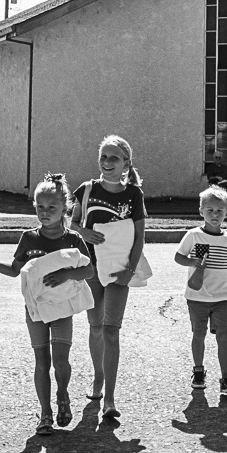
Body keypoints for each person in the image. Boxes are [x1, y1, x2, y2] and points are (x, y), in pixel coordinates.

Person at [0, 174, 95, 436]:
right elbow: (15, 270)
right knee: (41, 361)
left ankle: (63, 394)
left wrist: (67, 274)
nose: (45, 213)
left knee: (60, 360)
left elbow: (89, 271)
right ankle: (45, 413)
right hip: (34, 309)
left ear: (64, 208)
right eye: (40, 207)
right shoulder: (29, 239)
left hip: (62, 308)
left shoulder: (73, 240)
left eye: (52, 208)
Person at [71, 134, 147, 421]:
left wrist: (130, 270)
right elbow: (73, 222)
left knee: (111, 330)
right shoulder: (87, 189)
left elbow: (140, 236)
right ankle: (97, 380)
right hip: (90, 269)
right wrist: (83, 232)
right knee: (95, 328)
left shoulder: (133, 195)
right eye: (103, 157)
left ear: (126, 163)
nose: (107, 163)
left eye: (113, 158)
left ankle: (110, 399)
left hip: (118, 271)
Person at [174, 185, 227, 396]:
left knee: (223, 336)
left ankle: (226, 377)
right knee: (199, 334)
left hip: (222, 296)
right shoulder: (194, 236)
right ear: (201, 211)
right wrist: (193, 261)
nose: (215, 214)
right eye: (210, 210)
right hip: (197, 296)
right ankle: (199, 371)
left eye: (220, 211)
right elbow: (178, 257)